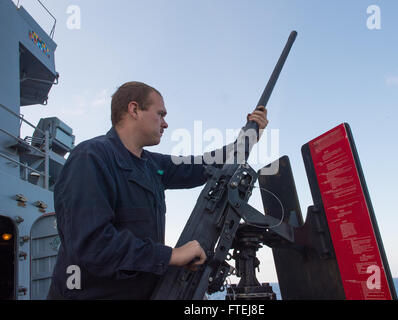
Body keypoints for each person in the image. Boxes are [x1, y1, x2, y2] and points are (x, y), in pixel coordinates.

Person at [47, 81, 268, 299]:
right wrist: (172, 255)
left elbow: (204, 165)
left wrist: (246, 139)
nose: (165, 124)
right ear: (134, 109)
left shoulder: (152, 165)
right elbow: (92, 245)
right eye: (160, 114)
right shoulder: (90, 157)